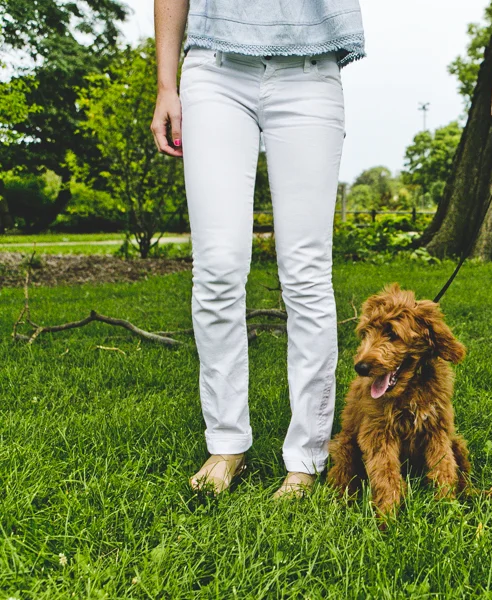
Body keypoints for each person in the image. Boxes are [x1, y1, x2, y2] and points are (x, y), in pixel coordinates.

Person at [151, 0, 365, 498]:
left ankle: (307, 459)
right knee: (218, 266)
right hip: (215, 69)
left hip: (311, 71)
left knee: (306, 271)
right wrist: (167, 85)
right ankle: (226, 442)